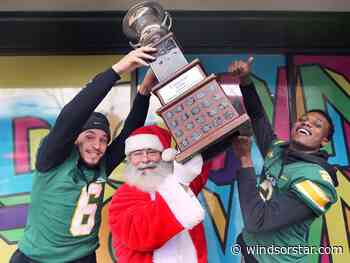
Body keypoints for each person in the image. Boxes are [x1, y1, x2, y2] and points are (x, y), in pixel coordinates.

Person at [10, 46, 158, 263]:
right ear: (75, 138)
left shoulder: (102, 163)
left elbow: (130, 130)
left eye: (103, 139)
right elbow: (71, 116)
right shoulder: (52, 159)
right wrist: (118, 70)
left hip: (82, 257)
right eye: (89, 136)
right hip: (36, 258)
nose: (97, 145)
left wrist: (144, 91)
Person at [228, 58, 338, 263]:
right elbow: (258, 117)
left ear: (324, 141)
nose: (307, 123)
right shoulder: (278, 149)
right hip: (250, 252)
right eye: (303, 119)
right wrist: (245, 80)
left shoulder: (318, 182)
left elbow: (256, 222)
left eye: (317, 124)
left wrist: (245, 159)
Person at [108, 125, 212, 263]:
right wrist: (180, 181)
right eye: (137, 154)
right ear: (130, 159)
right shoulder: (122, 196)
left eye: (151, 152)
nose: (145, 160)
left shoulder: (176, 180)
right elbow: (142, 234)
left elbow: (201, 157)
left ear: (164, 155)